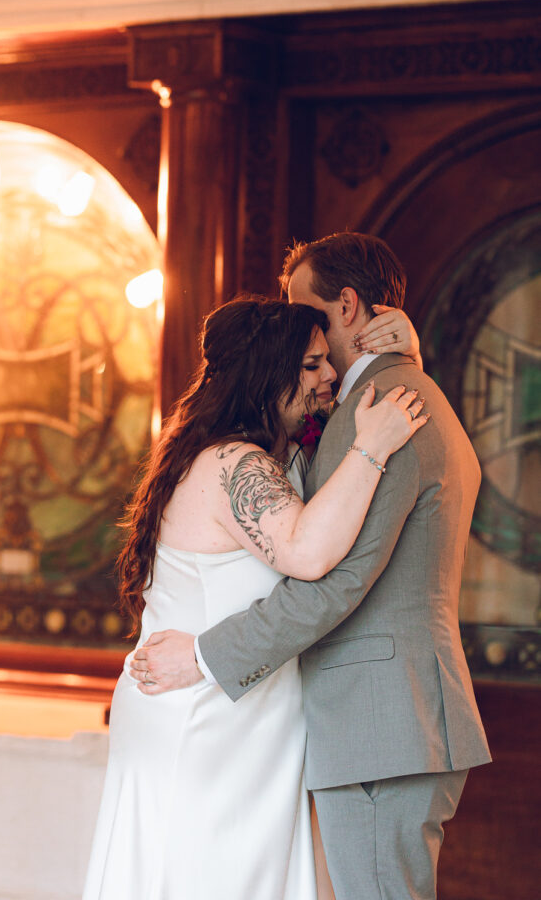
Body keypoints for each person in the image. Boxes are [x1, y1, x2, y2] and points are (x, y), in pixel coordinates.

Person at [130, 233, 492, 900]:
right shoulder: (388, 397)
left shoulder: (385, 411)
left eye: (306, 310)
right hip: (376, 723)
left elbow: (332, 583)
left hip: (383, 724)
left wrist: (205, 656)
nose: (294, 324)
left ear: (346, 306)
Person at [83, 295, 427, 900]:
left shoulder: (261, 455)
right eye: (312, 365)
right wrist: (372, 447)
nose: (329, 377)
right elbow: (307, 552)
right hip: (202, 720)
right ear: (271, 372)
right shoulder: (231, 461)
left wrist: (409, 357)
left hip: (237, 713)